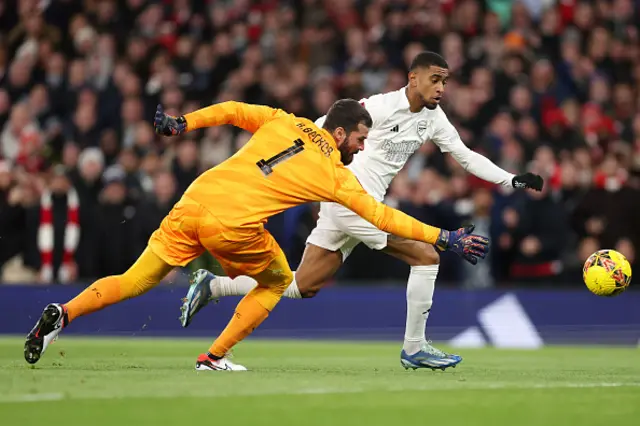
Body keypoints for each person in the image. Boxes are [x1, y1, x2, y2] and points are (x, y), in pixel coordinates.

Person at [24, 98, 490, 371]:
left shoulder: (282, 118)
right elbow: (385, 218)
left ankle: (63, 314)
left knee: (135, 279)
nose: (364, 148)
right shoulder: (334, 175)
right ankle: (213, 357)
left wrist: (182, 123)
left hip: (195, 199)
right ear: (342, 132)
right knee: (277, 282)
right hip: (234, 224)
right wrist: (443, 237)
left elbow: (229, 110)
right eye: (361, 140)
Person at [179, 52, 542, 370]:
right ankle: (414, 348)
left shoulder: (434, 119)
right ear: (413, 78)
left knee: (303, 285)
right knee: (426, 255)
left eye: (445, 81)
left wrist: (511, 181)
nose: (441, 88)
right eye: (435, 79)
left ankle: (214, 285)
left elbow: (466, 156)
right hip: (351, 197)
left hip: (356, 203)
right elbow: (328, 123)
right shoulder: (380, 106)